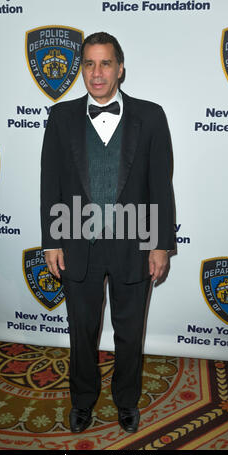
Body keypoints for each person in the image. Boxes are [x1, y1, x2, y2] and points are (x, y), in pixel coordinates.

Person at [40, 32, 174, 433]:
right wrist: (51, 240)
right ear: (81, 69)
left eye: (105, 64)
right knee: (81, 331)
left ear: (120, 68)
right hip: (77, 241)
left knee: (130, 332)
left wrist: (160, 244)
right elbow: (51, 183)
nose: (97, 74)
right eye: (89, 64)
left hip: (134, 244)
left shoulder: (151, 116)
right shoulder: (60, 117)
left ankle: (126, 401)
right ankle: (82, 400)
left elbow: (160, 186)